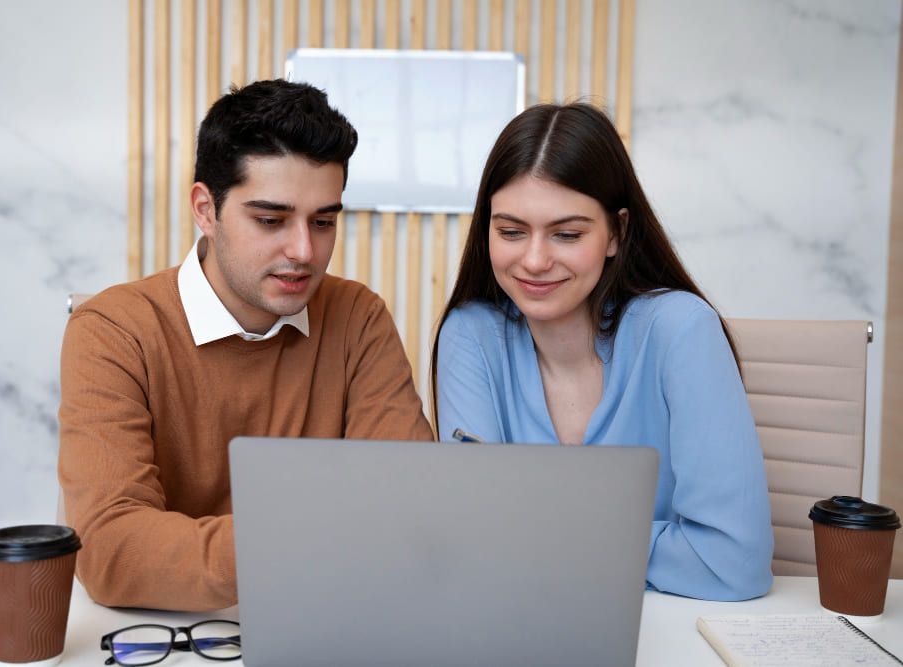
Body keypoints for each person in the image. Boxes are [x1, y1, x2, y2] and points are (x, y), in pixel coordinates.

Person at [59, 79, 434, 611]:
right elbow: (111, 550)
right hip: (168, 636)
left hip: (325, 622)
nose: (304, 250)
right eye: (270, 220)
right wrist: (320, 542)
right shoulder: (113, 330)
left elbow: (408, 507)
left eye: (324, 221)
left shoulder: (357, 317)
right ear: (205, 209)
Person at [432, 102, 773, 601]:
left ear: (616, 232)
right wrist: (630, 543)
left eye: (567, 234)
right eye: (510, 231)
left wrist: (540, 535)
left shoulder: (681, 329)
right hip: (526, 631)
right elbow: (470, 544)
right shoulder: (470, 336)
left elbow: (731, 564)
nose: (534, 260)